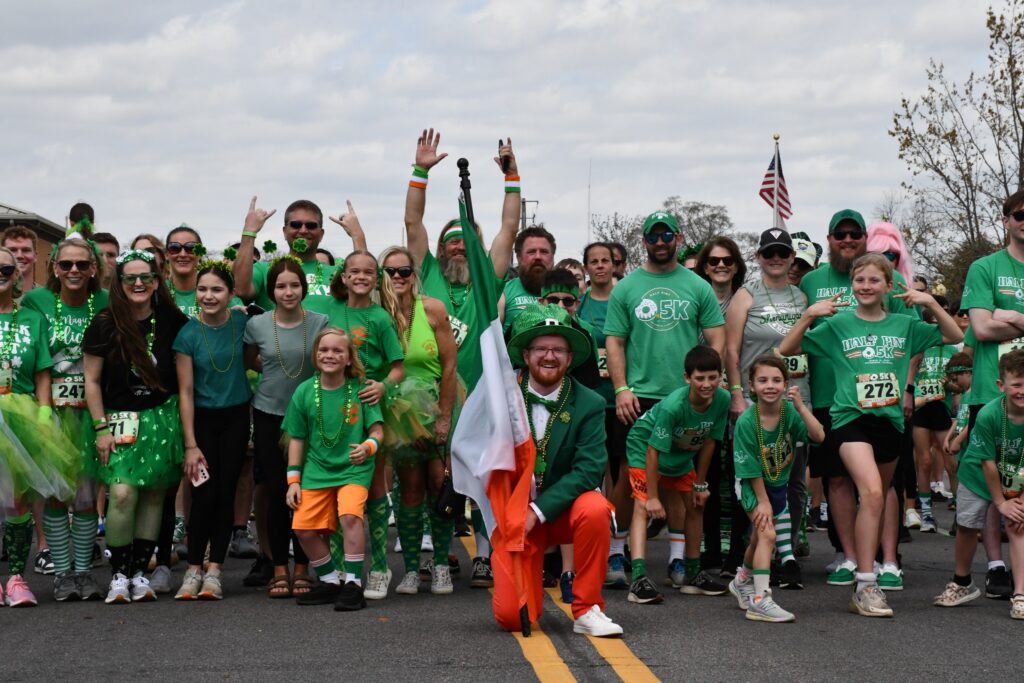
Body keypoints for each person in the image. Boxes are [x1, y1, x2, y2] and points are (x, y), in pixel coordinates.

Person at [780, 253, 962, 616]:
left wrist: (928, 303)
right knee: (874, 493)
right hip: (849, 419)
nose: (865, 287)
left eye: (873, 281)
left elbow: (955, 334)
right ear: (852, 285)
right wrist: (808, 316)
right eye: (859, 280)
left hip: (890, 423)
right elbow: (787, 349)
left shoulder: (903, 324)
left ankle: (874, 567)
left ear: (889, 286)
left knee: (874, 502)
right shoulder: (839, 324)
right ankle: (865, 583)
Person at [403, 128, 520, 587]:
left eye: (465, 238)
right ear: (439, 249)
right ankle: (443, 553)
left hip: (483, 395)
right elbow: (414, 226)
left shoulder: (488, 280)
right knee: (435, 483)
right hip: (429, 401)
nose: (457, 244)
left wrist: (512, 178)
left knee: (488, 480)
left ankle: (487, 555)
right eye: (451, 239)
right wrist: (420, 173)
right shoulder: (425, 274)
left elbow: (509, 228)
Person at [603, 210, 725, 587]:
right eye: (653, 237)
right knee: (628, 479)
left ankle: (677, 561)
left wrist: (712, 384)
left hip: (688, 396)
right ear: (644, 241)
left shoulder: (697, 285)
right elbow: (615, 341)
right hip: (639, 398)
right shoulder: (626, 287)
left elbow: (716, 336)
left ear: (678, 237)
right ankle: (615, 555)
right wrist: (621, 389)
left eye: (666, 235)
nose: (660, 242)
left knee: (680, 482)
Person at [797, 209, 917, 587]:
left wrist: (909, 387)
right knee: (836, 480)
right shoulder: (812, 280)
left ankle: (888, 559)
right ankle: (847, 555)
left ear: (865, 238)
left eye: (854, 234)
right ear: (829, 239)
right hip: (830, 396)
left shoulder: (890, 279)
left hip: (885, 401)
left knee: (885, 485)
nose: (847, 240)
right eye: (839, 234)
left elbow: (911, 337)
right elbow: (797, 333)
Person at [491, 304, 622, 637]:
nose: (549, 356)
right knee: (512, 618)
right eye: (541, 349)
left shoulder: (590, 403)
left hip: (559, 513)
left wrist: (538, 510)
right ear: (526, 353)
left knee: (595, 508)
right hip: (515, 519)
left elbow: (590, 469)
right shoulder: (501, 400)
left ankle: (587, 608)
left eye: (558, 350)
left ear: (569, 357)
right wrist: (509, 512)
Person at [83, 249, 189, 604]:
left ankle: (140, 574)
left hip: (161, 417)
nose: (139, 283)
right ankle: (119, 575)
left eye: (146, 277)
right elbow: (92, 380)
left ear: (158, 282)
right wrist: (100, 428)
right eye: (131, 277)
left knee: (155, 495)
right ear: (120, 282)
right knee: (124, 493)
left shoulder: (172, 320)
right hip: (117, 419)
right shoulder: (104, 322)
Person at [305, 250, 404, 600]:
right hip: (330, 406)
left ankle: (378, 567)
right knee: (334, 489)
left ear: (377, 279)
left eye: (368, 272)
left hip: (367, 406)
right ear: (343, 277)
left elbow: (397, 366)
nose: (361, 277)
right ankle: (341, 572)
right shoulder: (329, 311)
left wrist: (383, 386)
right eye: (354, 272)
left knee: (373, 489)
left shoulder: (379, 317)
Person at [22, 238, 110, 601]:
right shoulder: (35, 301)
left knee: (88, 497)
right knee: (56, 496)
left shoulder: (107, 302)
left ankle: (84, 573)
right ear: (54, 267)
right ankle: (62, 574)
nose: (74, 271)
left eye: (82, 265)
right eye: (66, 265)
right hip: (51, 413)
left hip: (92, 415)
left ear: (93, 269)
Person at [724, 228, 809, 588]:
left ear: (792, 258)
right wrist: (737, 393)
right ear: (758, 257)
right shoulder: (746, 295)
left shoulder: (802, 297)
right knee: (755, 476)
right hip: (755, 399)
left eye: (782, 253)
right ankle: (756, 548)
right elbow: (731, 349)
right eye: (768, 253)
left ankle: (786, 552)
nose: (776, 259)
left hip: (796, 394)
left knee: (793, 479)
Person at [244, 256, 328, 598]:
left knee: (304, 493)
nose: (288, 292)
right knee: (278, 491)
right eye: (280, 286)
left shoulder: (321, 322)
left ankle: (303, 568)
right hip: (268, 413)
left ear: (303, 289)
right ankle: (279, 567)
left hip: (309, 417)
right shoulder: (258, 325)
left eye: (294, 285)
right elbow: (250, 360)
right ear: (272, 290)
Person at [378, 245, 460, 596]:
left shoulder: (434, 310)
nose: (398, 277)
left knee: (438, 483)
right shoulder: (378, 312)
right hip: (397, 413)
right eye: (390, 271)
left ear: (415, 274)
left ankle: (441, 564)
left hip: (436, 403)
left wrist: (444, 417)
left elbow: (450, 367)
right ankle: (411, 569)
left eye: (404, 271)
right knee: (409, 489)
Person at [283, 328, 384, 611]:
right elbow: (297, 438)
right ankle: (329, 581)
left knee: (350, 516)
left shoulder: (361, 389)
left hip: (354, 468)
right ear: (315, 355)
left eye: (338, 351)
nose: (330, 355)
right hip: (316, 470)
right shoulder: (304, 391)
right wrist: (294, 480)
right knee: (302, 528)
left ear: (349, 358)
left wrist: (368, 447)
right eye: (324, 350)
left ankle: (353, 584)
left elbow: (377, 431)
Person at [0, 246, 78, 607]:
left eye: (5, 269)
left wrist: (44, 413)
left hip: (22, 414)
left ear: (16, 275)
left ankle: (16, 578)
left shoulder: (31, 317)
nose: (0, 275)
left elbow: (43, 370)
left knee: (17, 501)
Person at [623, 345, 730, 604]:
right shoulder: (674, 406)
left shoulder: (723, 400)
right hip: (645, 447)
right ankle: (638, 579)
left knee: (696, 504)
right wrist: (653, 497)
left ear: (721, 376)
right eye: (700, 378)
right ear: (687, 378)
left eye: (713, 377)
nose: (707, 384)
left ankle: (693, 574)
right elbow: (652, 452)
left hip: (681, 453)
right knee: (642, 505)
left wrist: (700, 484)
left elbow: (709, 442)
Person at [172, 261, 253, 600]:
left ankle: (215, 570)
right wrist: (190, 444)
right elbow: (186, 392)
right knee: (203, 493)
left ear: (231, 293)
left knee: (225, 492)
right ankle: (193, 568)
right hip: (201, 421)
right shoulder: (188, 333)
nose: (208, 295)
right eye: (202, 290)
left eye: (217, 289)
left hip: (235, 418)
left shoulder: (242, 322)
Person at [960, 189, 1024, 597]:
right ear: (1006, 220)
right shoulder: (985, 267)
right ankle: (996, 564)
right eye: (1020, 214)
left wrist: (1013, 316)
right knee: (988, 486)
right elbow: (981, 329)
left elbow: (993, 320)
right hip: (991, 388)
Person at [729, 355, 823, 622]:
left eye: (776, 380)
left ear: (786, 384)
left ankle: (742, 580)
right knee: (767, 535)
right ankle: (761, 599)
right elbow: (751, 470)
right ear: (751, 385)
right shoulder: (748, 422)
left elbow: (819, 436)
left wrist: (802, 408)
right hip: (752, 485)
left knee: (759, 539)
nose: (769, 386)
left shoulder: (789, 414)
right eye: (762, 380)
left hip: (778, 484)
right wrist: (762, 501)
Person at [933, 348, 1024, 619]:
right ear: (1001, 385)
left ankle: (1020, 594)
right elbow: (986, 463)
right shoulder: (988, 414)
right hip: (978, 473)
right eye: (1016, 384)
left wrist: (1018, 501)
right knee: (967, 523)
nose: (1022, 390)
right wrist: (999, 502)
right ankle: (962, 582)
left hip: (1018, 475)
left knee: (1019, 523)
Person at [233, 197, 349, 311]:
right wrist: (249, 231)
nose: (303, 231)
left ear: (321, 234)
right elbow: (241, 290)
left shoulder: (336, 274)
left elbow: (364, 289)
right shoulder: (265, 269)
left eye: (311, 226)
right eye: (296, 225)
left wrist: (357, 236)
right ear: (284, 232)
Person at [499, 225, 556, 333]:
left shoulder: (566, 295)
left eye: (544, 252)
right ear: (518, 257)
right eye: (531, 252)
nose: (538, 257)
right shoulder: (503, 293)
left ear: (552, 257)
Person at [1, 226, 39, 295]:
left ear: (35, 256)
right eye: (12, 250)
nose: (19, 255)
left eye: (26, 250)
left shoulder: (49, 299)